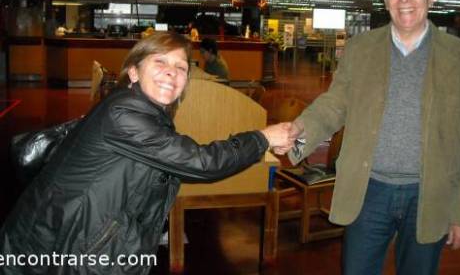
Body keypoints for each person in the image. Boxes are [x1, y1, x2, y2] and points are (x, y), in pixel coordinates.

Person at [0, 31, 294, 274]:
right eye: (160, 61)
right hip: (59, 248)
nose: (171, 71)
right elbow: (200, 162)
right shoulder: (124, 114)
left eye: (181, 67)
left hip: (81, 240)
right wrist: (263, 137)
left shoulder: (145, 111)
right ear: (133, 72)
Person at [287, 0, 460, 275]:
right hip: (369, 191)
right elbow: (336, 103)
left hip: (429, 193)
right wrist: (297, 132)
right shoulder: (360, 49)